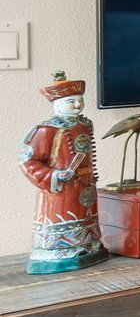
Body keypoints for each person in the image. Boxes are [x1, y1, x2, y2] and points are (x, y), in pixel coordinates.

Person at [19, 71, 108, 274]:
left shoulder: (84, 125)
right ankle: (58, 251)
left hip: (84, 184)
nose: (77, 106)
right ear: (57, 104)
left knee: (87, 216)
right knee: (62, 216)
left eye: (79, 101)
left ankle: (88, 246)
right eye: (71, 102)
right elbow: (28, 161)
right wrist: (56, 176)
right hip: (62, 189)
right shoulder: (46, 130)